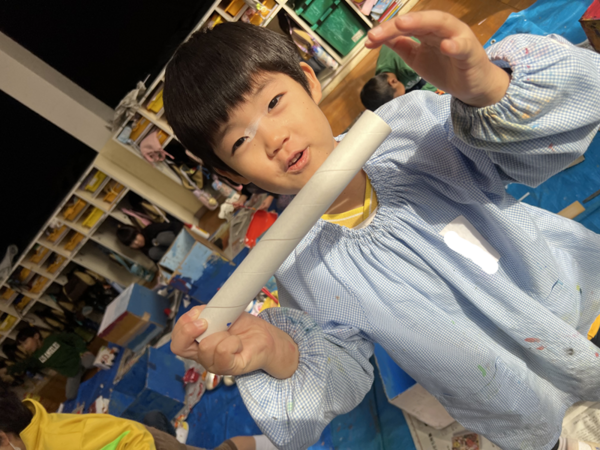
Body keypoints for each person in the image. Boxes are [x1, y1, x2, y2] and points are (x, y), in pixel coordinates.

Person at [164, 13, 600, 450]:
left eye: (274, 102)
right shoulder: (299, 266)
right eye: (239, 141)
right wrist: (277, 351)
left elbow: (535, 146)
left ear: (308, 82)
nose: (274, 138)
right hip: (511, 400)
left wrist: (489, 90)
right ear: (230, 172)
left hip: (580, 308)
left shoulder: (410, 130)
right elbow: (341, 370)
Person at [0, 384, 273, 450]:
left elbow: (136, 440)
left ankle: (275, 443)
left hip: (146, 443)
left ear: (3, 438)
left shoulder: (64, 441)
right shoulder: (33, 430)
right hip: (137, 436)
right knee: (153, 419)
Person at [0, 327, 94, 401]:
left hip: (80, 359)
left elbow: (73, 337)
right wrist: (6, 370)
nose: (25, 347)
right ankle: (82, 371)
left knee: (90, 363)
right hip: (73, 373)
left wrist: (82, 350)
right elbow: (22, 365)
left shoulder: (52, 338)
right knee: (70, 395)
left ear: (36, 336)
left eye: (26, 342)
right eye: (22, 345)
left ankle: (90, 364)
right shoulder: (35, 357)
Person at [360, 38, 444, 111]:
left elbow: (436, 72)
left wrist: (421, 98)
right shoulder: (380, 80)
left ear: (393, 81)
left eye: (400, 98)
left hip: (432, 55)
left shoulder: (408, 66)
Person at [116, 222, 182, 262]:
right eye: (131, 243)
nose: (136, 243)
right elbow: (157, 261)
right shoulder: (144, 249)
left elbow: (175, 225)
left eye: (135, 237)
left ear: (137, 231)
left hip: (180, 240)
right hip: (177, 255)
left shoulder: (150, 229)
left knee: (161, 238)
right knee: (153, 253)